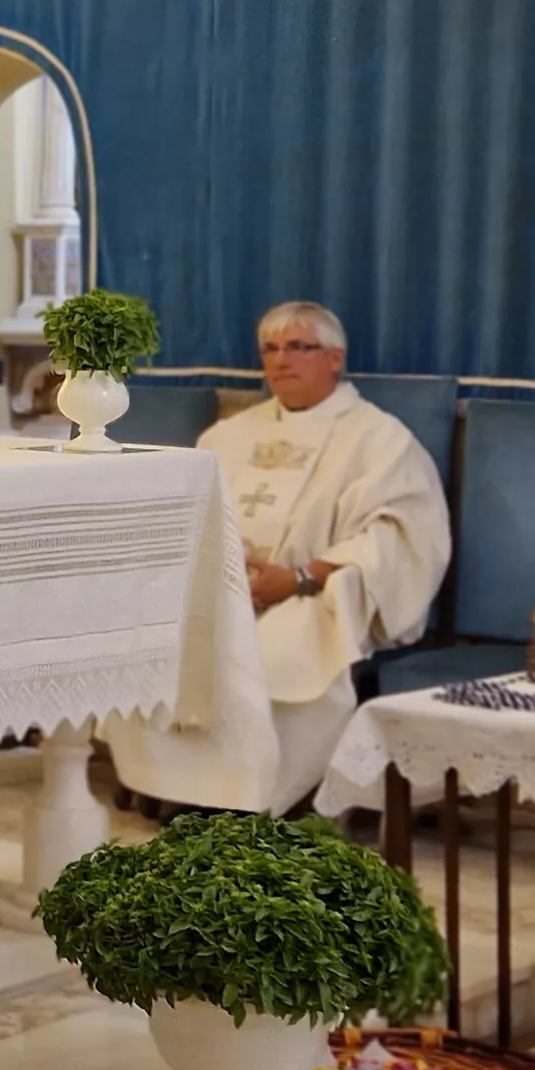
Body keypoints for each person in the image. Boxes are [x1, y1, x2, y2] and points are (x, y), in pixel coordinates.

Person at [191, 301, 449, 812]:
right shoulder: (227, 436)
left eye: (298, 347)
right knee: (168, 648)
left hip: (314, 596)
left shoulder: (380, 438)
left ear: (335, 358)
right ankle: (189, 789)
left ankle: (256, 801)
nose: (281, 360)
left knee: (272, 659)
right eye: (270, 348)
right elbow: (192, 515)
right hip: (224, 590)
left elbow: (400, 535)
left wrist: (301, 577)